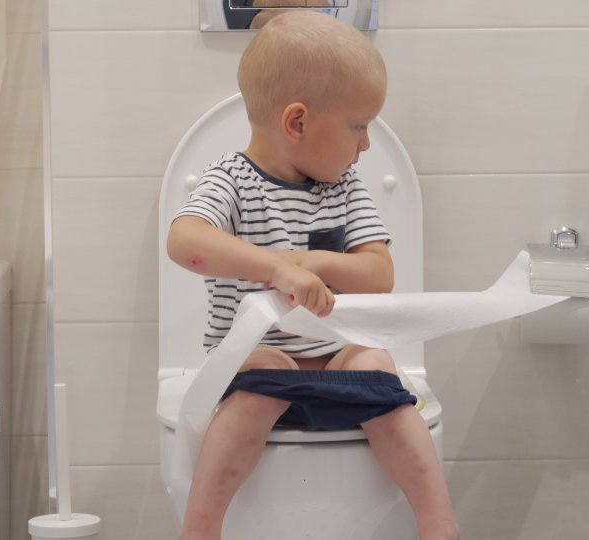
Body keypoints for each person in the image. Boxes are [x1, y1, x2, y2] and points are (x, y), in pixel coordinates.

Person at [167, 11, 460, 540]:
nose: (367, 144)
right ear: (297, 122)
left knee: (378, 369)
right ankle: (201, 527)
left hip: (337, 349)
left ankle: (438, 525)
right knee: (257, 387)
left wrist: (315, 263)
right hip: (256, 351)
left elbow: (379, 272)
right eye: (359, 126)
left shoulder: (344, 188)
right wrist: (275, 265)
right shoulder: (230, 181)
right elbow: (185, 242)